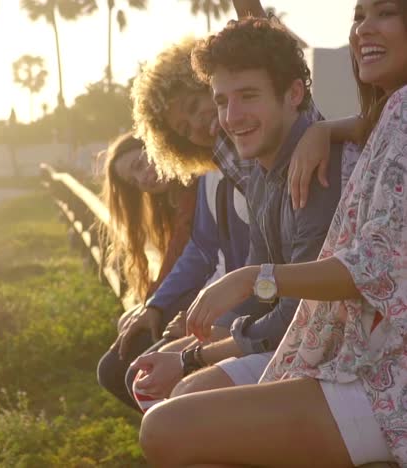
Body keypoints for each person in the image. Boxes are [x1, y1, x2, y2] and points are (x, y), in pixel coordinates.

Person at [139, 1, 407, 466]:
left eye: (384, 13)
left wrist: (250, 282)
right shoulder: (385, 117)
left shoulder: (323, 167)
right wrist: (327, 130)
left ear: (295, 94)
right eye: (358, 16)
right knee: (173, 415)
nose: (364, 28)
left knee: (169, 425)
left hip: (382, 377)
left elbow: (373, 268)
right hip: (355, 359)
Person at [129, 9, 348, 406]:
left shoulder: (314, 164)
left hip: (334, 357)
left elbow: (295, 314)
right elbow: (261, 289)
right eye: (222, 101)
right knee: (149, 379)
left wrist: (191, 355)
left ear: (294, 95)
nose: (228, 118)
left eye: (247, 96)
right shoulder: (259, 172)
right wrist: (191, 337)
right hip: (290, 339)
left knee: (178, 403)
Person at [97, 132, 198, 409]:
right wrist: (151, 304)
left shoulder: (194, 186)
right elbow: (177, 259)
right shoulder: (175, 198)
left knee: (115, 371)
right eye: (134, 179)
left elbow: (190, 258)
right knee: (127, 326)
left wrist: (154, 303)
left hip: (213, 293)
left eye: (141, 164)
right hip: (201, 290)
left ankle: (178, 432)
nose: (142, 179)